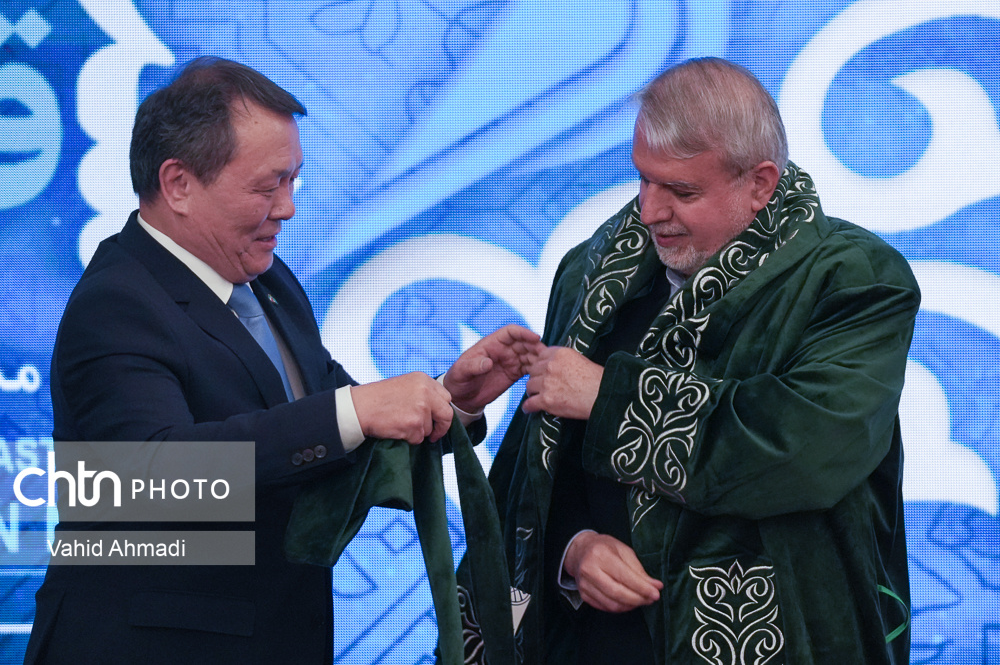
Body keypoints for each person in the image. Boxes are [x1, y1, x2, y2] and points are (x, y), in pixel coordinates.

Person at [24, 57, 540, 664]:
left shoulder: (268, 281)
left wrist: (446, 399)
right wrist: (354, 411)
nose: (288, 207)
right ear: (179, 183)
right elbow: (150, 481)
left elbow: (336, 427)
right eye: (268, 186)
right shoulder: (117, 302)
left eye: (294, 180)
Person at [457, 57, 919, 664]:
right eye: (643, 179)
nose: (650, 211)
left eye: (681, 191)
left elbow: (805, 449)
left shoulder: (855, 279)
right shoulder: (591, 274)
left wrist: (611, 398)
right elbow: (541, 469)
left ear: (760, 183)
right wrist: (575, 549)